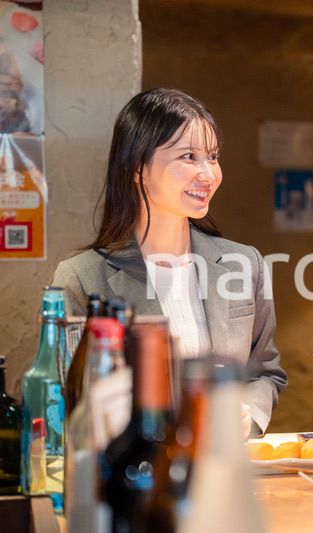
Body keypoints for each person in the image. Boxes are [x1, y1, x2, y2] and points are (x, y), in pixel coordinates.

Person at [53, 88, 287, 434]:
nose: (208, 174)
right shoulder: (81, 277)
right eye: (188, 157)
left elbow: (265, 372)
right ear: (137, 168)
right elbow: (66, 397)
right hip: (136, 475)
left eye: (213, 156)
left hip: (225, 467)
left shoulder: (244, 262)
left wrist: (247, 413)